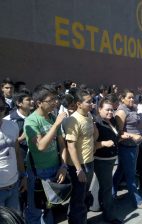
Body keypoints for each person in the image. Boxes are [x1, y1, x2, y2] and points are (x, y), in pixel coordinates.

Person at [24, 84, 68, 224]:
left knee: (50, 206)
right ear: (39, 103)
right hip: (38, 172)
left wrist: (63, 166)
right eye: (51, 100)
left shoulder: (53, 117)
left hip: (55, 168)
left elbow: (62, 145)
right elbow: (41, 146)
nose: (55, 102)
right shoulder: (31, 121)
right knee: (36, 209)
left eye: (56, 98)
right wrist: (56, 125)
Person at [113, 89, 142, 209]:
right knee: (131, 175)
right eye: (129, 97)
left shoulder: (132, 108)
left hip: (133, 146)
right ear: (122, 99)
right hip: (126, 147)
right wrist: (132, 136)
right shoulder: (121, 111)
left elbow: (138, 122)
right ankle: (138, 201)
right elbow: (119, 133)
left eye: (132, 97)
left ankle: (111, 195)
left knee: (120, 171)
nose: (132, 99)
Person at [63, 89, 95, 224]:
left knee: (82, 197)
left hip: (89, 161)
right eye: (88, 102)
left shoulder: (89, 116)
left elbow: (92, 136)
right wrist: (78, 169)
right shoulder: (72, 120)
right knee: (78, 198)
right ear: (78, 104)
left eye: (92, 101)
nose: (92, 104)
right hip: (79, 166)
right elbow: (71, 146)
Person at [93, 99, 123, 224]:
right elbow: (91, 144)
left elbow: (115, 136)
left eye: (112, 109)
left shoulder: (112, 121)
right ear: (99, 109)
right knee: (107, 187)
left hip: (110, 158)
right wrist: (103, 143)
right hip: (101, 159)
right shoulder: (96, 123)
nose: (110, 112)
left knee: (101, 185)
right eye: (107, 109)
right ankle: (109, 216)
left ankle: (95, 206)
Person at [0, 93, 27, 212]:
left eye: (1, 108)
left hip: (14, 185)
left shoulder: (12, 125)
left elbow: (17, 153)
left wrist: (23, 176)